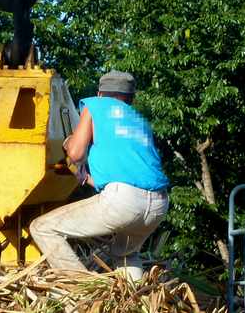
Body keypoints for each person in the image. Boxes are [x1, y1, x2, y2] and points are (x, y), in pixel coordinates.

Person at [30, 70, 170, 280]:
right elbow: (129, 176)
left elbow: (76, 153)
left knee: (42, 228)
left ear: (100, 93)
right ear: (131, 98)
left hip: (123, 201)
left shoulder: (96, 105)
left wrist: (69, 144)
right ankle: (133, 303)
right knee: (125, 253)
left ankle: (79, 292)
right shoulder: (138, 121)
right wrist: (85, 178)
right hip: (158, 205)